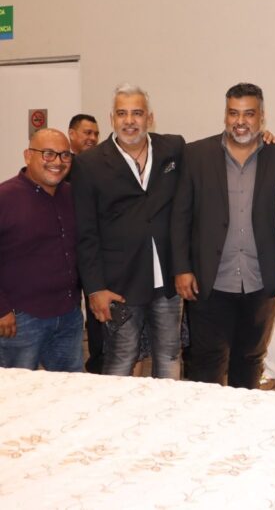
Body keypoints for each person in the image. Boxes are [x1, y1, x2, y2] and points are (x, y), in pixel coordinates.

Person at [171, 83, 275, 389]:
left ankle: (243, 415)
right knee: (206, 362)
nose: (240, 121)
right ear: (225, 115)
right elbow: (180, 216)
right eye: (233, 113)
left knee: (250, 359)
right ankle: (206, 416)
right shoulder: (196, 154)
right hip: (209, 279)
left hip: (260, 279)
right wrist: (182, 268)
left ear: (262, 117)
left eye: (249, 114)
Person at [72, 84, 185, 378]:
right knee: (123, 355)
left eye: (137, 113)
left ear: (150, 117)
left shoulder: (173, 149)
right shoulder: (88, 163)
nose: (129, 121)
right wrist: (94, 288)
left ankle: (166, 407)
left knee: (170, 354)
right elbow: (85, 233)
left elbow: (213, 154)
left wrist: (261, 140)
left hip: (166, 281)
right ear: (112, 118)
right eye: (122, 113)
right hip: (119, 284)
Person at [0, 129, 82, 371]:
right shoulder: (5, 198)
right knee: (18, 390)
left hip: (68, 316)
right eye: (48, 153)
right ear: (28, 156)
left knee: (70, 388)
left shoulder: (71, 195)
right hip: (20, 320)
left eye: (65, 155)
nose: (57, 161)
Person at [66, 113, 105, 374]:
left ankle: (97, 366)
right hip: (67, 256)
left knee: (97, 315)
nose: (92, 138)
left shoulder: (99, 169)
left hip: (92, 255)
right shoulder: (61, 168)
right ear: (72, 134)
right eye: (86, 133)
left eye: (95, 134)